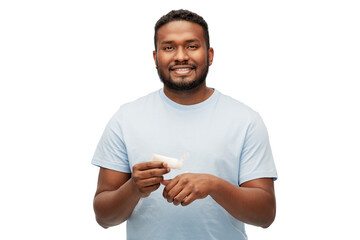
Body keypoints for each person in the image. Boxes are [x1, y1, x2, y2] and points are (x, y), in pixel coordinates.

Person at [92, 9, 278, 240]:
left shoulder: (245, 120)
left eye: (192, 46)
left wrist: (214, 185)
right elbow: (103, 217)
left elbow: (265, 215)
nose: (181, 56)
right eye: (169, 47)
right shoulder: (126, 119)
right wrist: (132, 189)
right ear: (156, 57)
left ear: (209, 55)